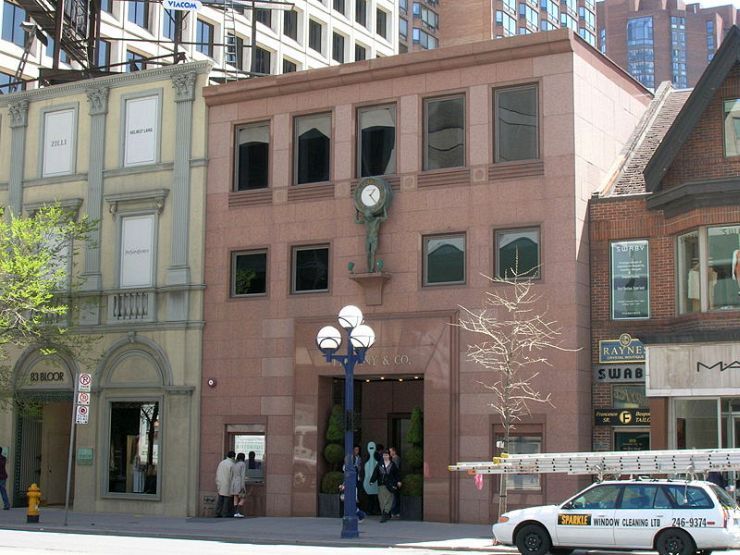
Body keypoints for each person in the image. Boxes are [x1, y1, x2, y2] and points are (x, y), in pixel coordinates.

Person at [370, 450, 401, 523]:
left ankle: (385, 514)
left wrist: (398, 481)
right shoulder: (379, 464)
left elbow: (397, 474)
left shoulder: (392, 465)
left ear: (389, 456)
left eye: (386, 455)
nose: (385, 456)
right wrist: (372, 481)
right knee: (382, 500)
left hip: (390, 485)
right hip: (381, 484)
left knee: (389, 499)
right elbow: (375, 473)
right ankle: (385, 513)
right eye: (384, 455)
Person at [215, 451, 235, 517]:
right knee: (226, 501)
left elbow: (217, 473)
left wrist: (218, 482)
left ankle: (218, 512)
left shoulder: (222, 463)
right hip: (228, 484)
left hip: (220, 483)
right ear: (232, 457)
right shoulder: (232, 464)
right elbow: (232, 476)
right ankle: (224, 514)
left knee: (220, 499)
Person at [231, 452, 247, 518]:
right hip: (239, 482)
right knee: (243, 498)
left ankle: (235, 513)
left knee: (235, 498)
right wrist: (243, 486)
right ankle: (238, 512)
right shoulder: (242, 464)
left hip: (233, 483)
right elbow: (242, 475)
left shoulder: (235, 464)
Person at [389, 446, 401, 519]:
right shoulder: (394, 459)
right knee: (394, 496)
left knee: (393, 496)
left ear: (394, 451)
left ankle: (394, 512)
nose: (390, 453)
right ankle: (395, 512)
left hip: (394, 480)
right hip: (395, 480)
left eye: (390, 451)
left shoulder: (395, 459)